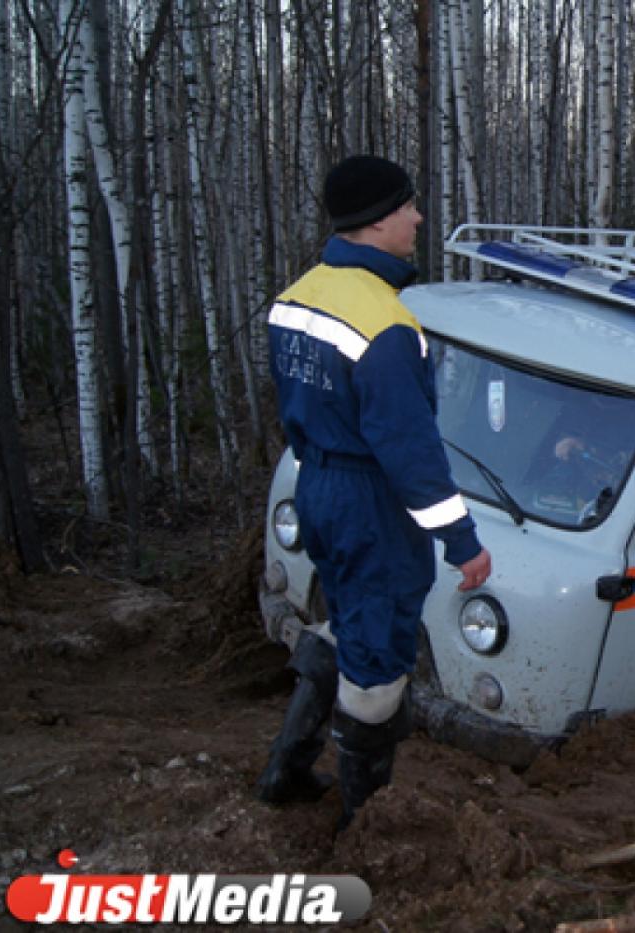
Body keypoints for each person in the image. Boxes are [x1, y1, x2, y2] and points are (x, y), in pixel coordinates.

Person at [256, 155, 492, 829]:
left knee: (346, 619)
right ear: (377, 219)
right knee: (381, 654)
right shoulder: (386, 325)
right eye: (410, 207)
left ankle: (287, 766)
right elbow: (411, 453)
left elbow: (297, 403)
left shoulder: (297, 296)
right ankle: (368, 818)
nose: (419, 218)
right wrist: (463, 542)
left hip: (318, 483)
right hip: (371, 500)